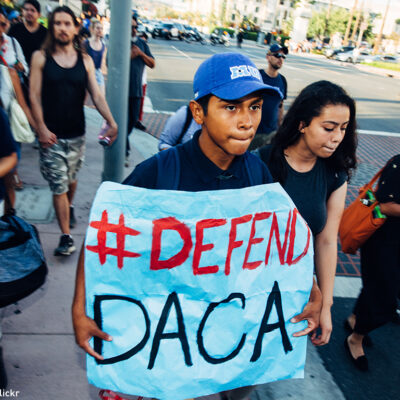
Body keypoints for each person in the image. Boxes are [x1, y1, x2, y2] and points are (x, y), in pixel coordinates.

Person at [72, 52, 323, 400]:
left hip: (232, 333)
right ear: (198, 112)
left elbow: (282, 246)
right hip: (174, 333)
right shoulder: (161, 172)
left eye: (254, 106)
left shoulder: (257, 174)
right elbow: (103, 237)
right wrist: (80, 308)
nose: (247, 121)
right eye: (231, 107)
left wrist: (310, 289)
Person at [257, 80, 358, 346]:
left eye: (344, 129)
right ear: (302, 124)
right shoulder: (261, 162)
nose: (337, 137)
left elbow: (325, 241)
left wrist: (325, 305)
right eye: (328, 128)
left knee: (265, 366)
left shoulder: (335, 174)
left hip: (293, 290)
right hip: (250, 283)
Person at [29, 6, 117, 256]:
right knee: (58, 186)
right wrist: (41, 129)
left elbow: (97, 95)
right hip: (52, 137)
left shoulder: (86, 60)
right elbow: (33, 96)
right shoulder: (40, 57)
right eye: (57, 23)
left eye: (67, 23)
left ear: (76, 28)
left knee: (71, 180)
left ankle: (67, 208)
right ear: (52, 27)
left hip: (77, 134)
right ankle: (66, 236)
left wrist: (111, 121)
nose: (62, 28)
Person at [345, 154, 400, 371]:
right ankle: (355, 338)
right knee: (383, 296)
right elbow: (385, 206)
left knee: (376, 285)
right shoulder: (398, 164)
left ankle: (354, 318)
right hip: (384, 240)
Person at [126, 15, 155, 165]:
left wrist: (141, 53)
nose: (134, 30)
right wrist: (130, 55)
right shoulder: (119, 41)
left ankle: (124, 144)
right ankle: (124, 151)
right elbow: (111, 63)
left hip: (136, 91)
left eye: (135, 27)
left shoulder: (141, 44)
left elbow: (152, 63)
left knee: (131, 121)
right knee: (120, 123)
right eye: (131, 27)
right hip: (120, 92)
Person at [249, 44, 288, 151]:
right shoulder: (257, 76)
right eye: (277, 55)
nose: (280, 59)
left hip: (271, 133)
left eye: (283, 56)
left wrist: (280, 128)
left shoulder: (282, 81)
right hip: (253, 133)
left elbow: (280, 106)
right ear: (268, 57)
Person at [8, 1, 47, 68]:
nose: (29, 13)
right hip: (17, 70)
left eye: (32, 10)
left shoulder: (45, 33)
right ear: (22, 11)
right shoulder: (15, 29)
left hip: (38, 70)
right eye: (26, 9)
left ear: (39, 14)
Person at [84, 20, 106, 94]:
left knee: (101, 95)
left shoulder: (103, 44)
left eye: (101, 28)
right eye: (97, 28)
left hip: (97, 72)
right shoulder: (86, 43)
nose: (99, 30)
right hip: (87, 72)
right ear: (93, 29)